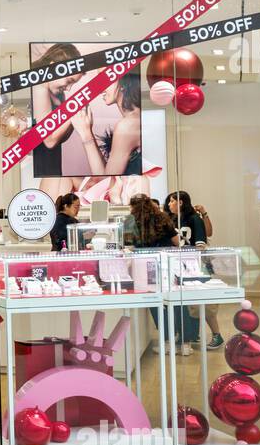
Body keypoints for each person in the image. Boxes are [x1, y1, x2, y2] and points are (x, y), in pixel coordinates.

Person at [129, 194, 198, 355]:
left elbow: (130, 245)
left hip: (147, 268)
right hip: (169, 265)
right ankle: (185, 344)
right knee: (178, 302)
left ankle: (167, 341)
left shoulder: (132, 221)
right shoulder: (163, 218)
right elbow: (176, 242)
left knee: (156, 303)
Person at [165, 191, 223, 349]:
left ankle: (217, 335)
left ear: (181, 202)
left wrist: (195, 266)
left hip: (195, 265)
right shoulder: (172, 219)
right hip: (180, 265)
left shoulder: (194, 219)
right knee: (190, 303)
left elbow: (201, 243)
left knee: (205, 303)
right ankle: (192, 334)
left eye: (172, 201)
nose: (169, 204)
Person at [31, 43, 86, 202]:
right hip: (43, 168)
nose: (69, 88)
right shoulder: (40, 88)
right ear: (54, 67)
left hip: (52, 167)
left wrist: (73, 115)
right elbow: (49, 140)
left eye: (73, 83)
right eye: (69, 81)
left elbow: (60, 136)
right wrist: (73, 109)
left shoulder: (57, 93)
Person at [71, 71, 143, 176]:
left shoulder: (128, 125)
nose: (100, 89)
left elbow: (107, 181)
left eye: (107, 80)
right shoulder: (134, 120)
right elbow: (104, 175)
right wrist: (86, 132)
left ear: (123, 83)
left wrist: (86, 135)